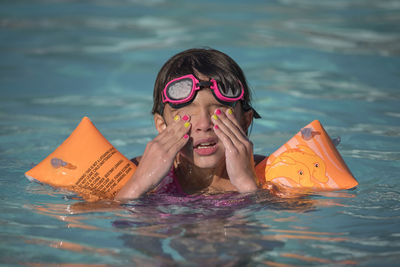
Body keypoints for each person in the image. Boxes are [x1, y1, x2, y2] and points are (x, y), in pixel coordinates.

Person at [115, 48, 265, 201]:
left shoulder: (267, 172)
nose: (204, 124)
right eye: (189, 116)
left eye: (217, 114)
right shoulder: (135, 172)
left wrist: (247, 185)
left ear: (245, 121)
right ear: (162, 126)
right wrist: (138, 185)